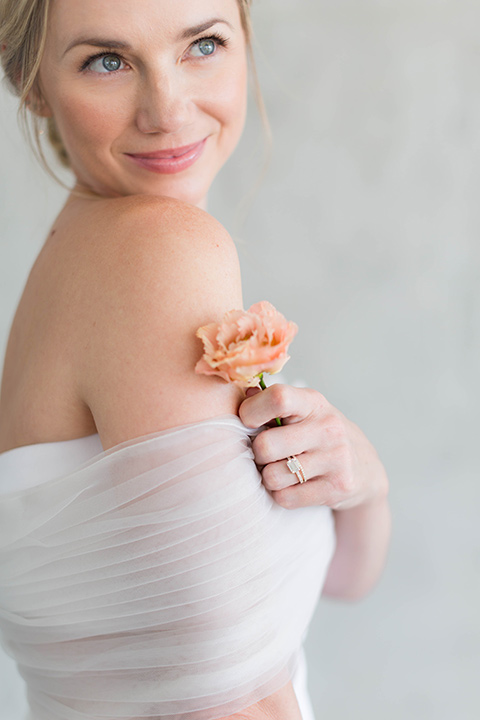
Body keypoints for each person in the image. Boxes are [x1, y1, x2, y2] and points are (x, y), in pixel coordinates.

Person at [0, 1, 391, 719]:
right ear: (30, 81)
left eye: (202, 45)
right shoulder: (156, 248)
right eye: (107, 61)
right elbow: (233, 701)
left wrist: (361, 480)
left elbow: (337, 579)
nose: (168, 110)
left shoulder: (73, 260)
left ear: (244, 39)